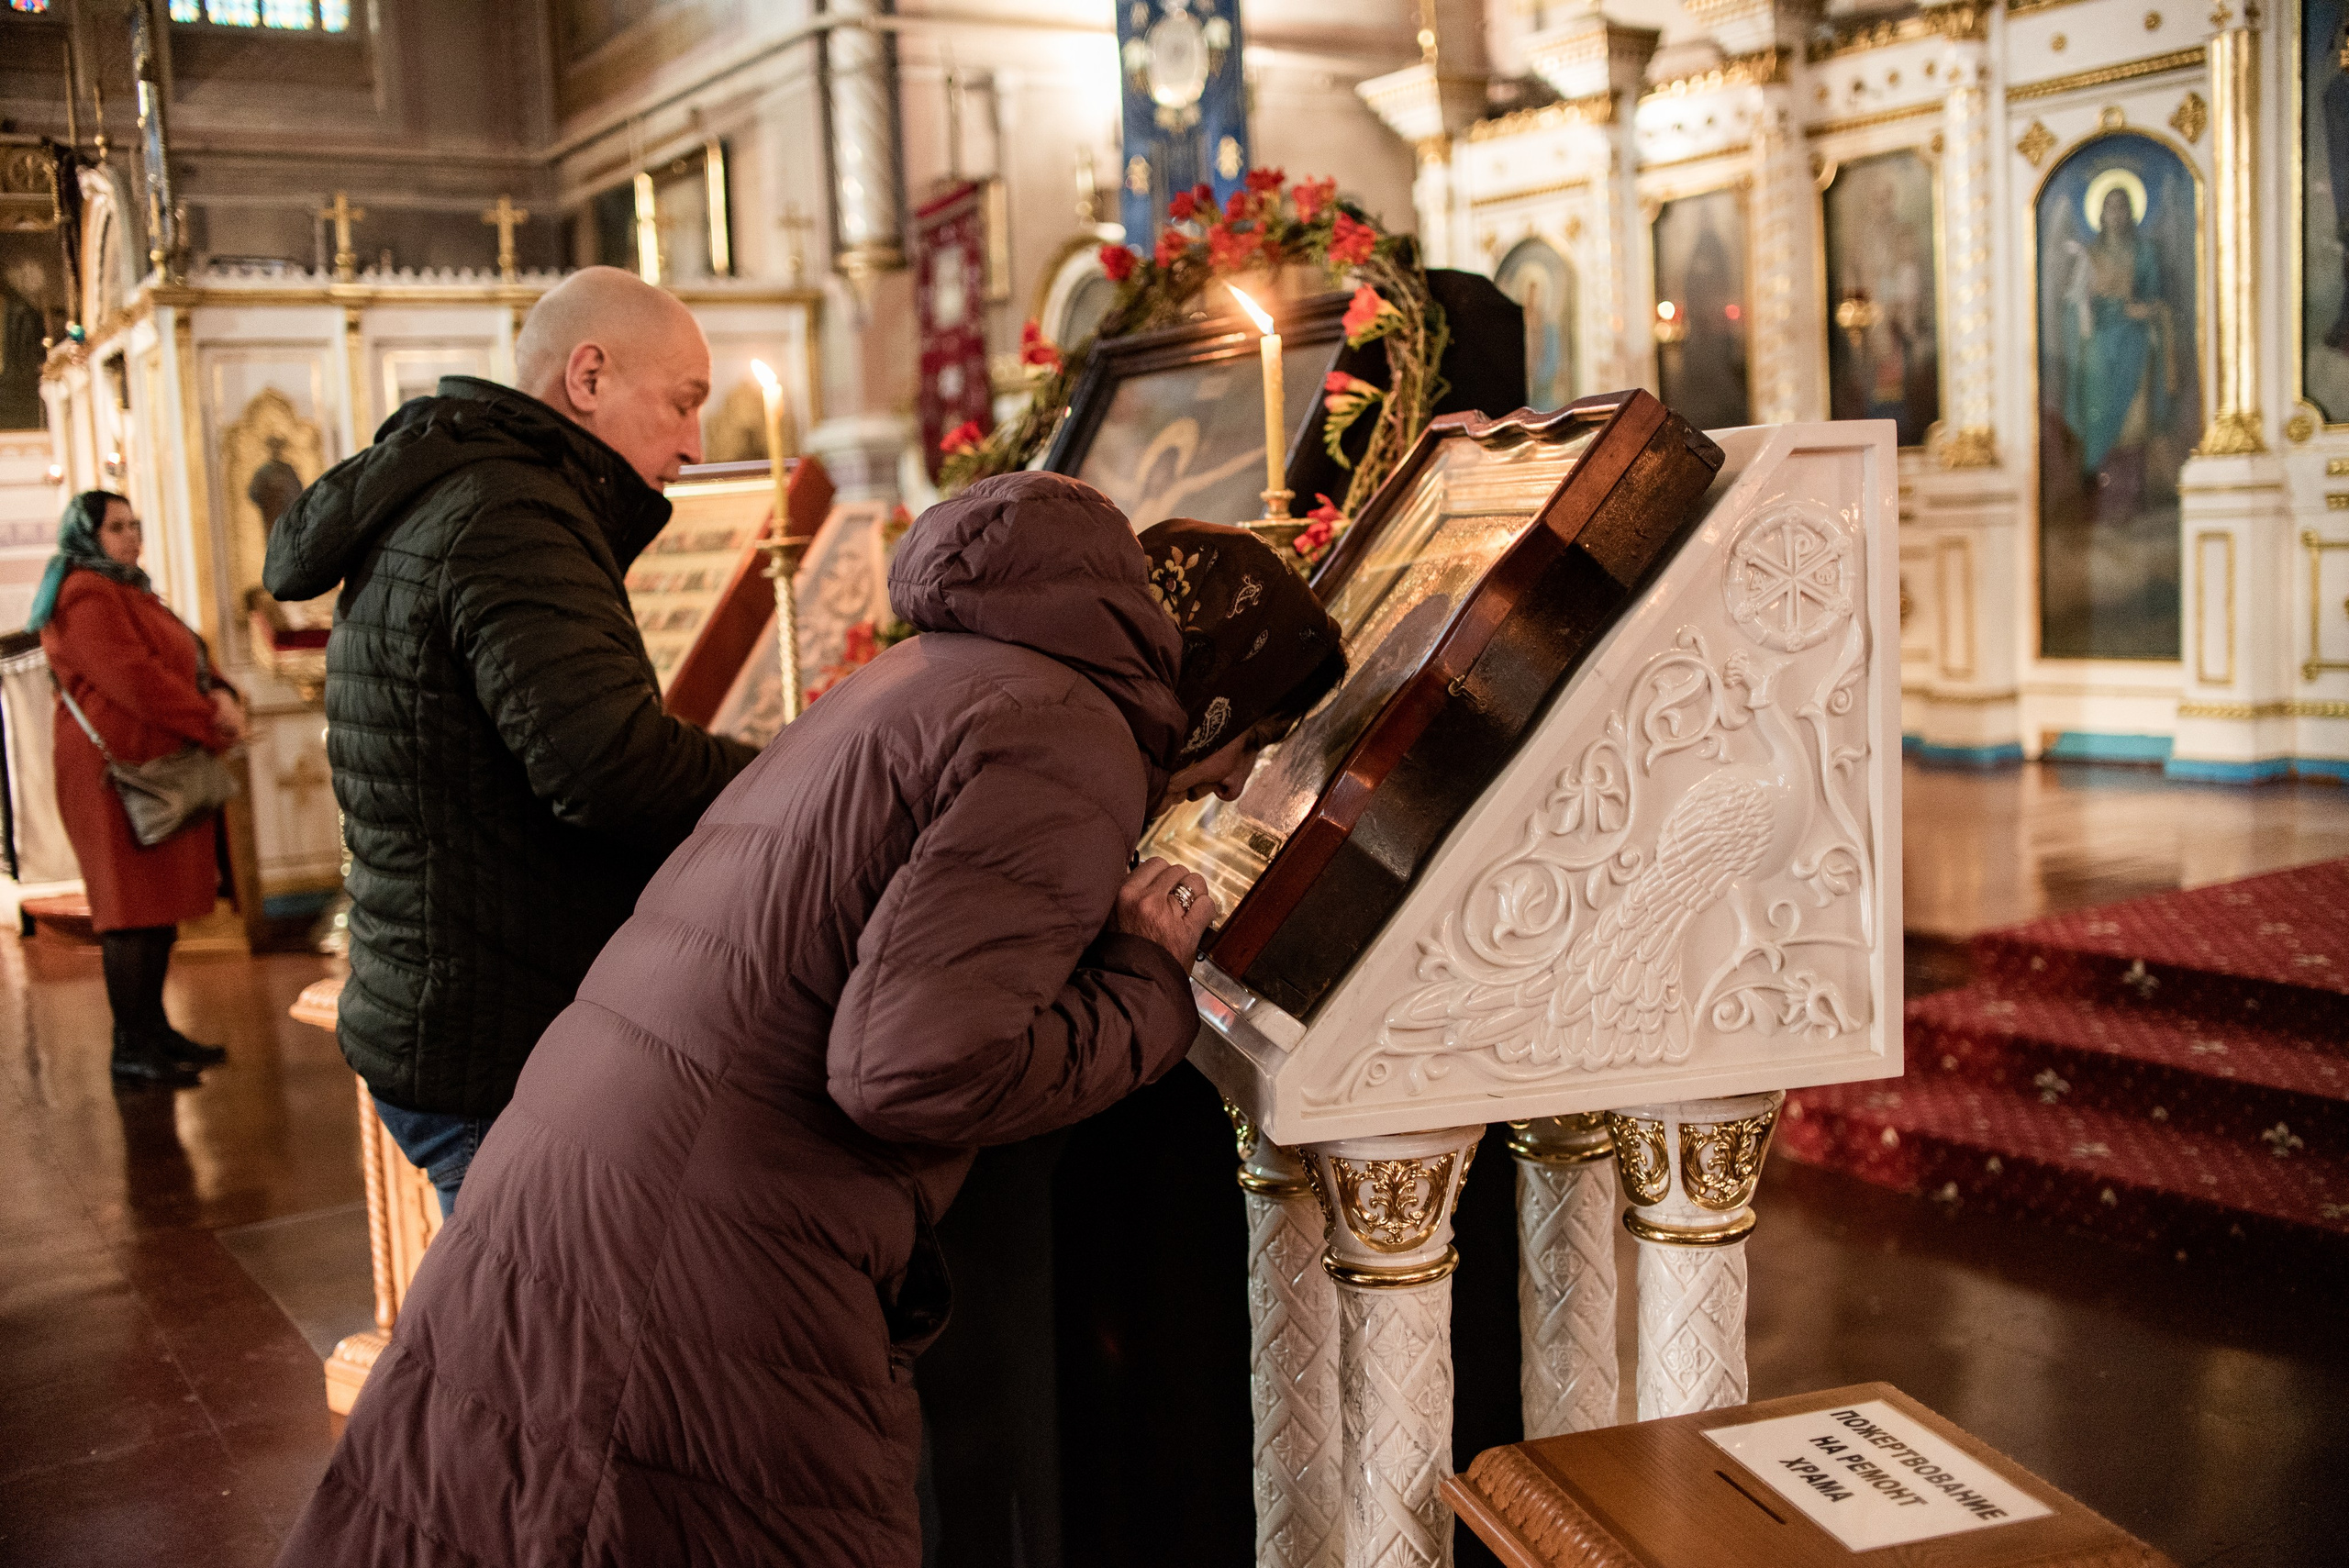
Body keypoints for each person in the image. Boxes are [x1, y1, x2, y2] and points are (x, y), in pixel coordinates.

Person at [274, 473, 1346, 1567]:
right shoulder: (1069, 739)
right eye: (1254, 741)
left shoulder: (947, 671)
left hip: (597, 1180)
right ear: (1215, 696)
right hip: (712, 1248)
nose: (1233, 783)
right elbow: (914, 1067)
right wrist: (1143, 981)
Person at [262, 265, 758, 1218]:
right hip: (498, 1038)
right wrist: (792, 772)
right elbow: (608, 766)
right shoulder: (512, 513)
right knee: (544, 1349)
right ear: (588, 378)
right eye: (683, 404)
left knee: (520, 1332)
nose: (694, 445)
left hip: (456, 1007)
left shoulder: (461, 488)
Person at [32, 491, 247, 1088]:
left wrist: (222, 690)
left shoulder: (132, 588)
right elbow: (133, 677)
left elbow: (188, 653)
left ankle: (154, 1031)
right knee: (128, 913)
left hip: (155, 763)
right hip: (112, 774)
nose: (131, 536)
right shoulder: (83, 593)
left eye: (135, 524)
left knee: (156, 909)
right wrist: (209, 718)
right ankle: (130, 1045)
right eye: (116, 527)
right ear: (86, 534)